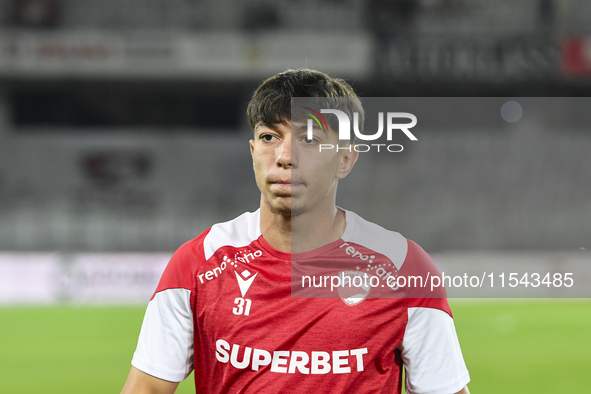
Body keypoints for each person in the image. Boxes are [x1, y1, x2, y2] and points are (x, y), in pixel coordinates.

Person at [121, 69, 470, 394]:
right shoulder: (198, 263)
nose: (285, 156)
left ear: (346, 159)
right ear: (253, 151)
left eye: (310, 139)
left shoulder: (405, 268)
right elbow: (147, 388)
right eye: (270, 136)